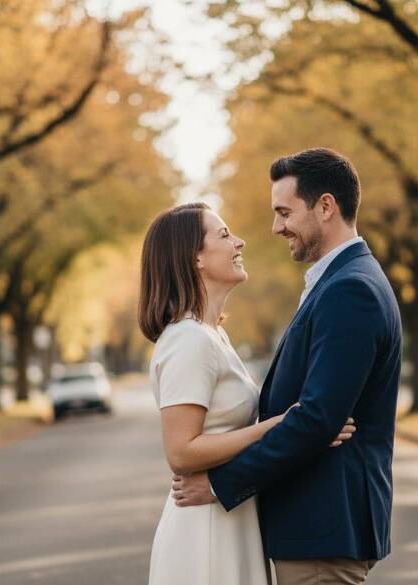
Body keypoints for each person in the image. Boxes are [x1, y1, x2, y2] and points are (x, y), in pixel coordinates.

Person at [171, 148, 403, 585]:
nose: (276, 227)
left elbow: (317, 418)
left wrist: (221, 485)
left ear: (326, 206)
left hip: (323, 528)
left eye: (284, 212)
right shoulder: (339, 282)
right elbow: (316, 417)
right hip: (316, 529)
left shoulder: (349, 289)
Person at [139, 202, 356, 585]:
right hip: (204, 530)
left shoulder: (213, 336)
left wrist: (304, 431)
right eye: (224, 235)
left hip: (231, 516)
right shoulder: (188, 340)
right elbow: (181, 452)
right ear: (196, 259)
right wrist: (280, 425)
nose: (239, 242)